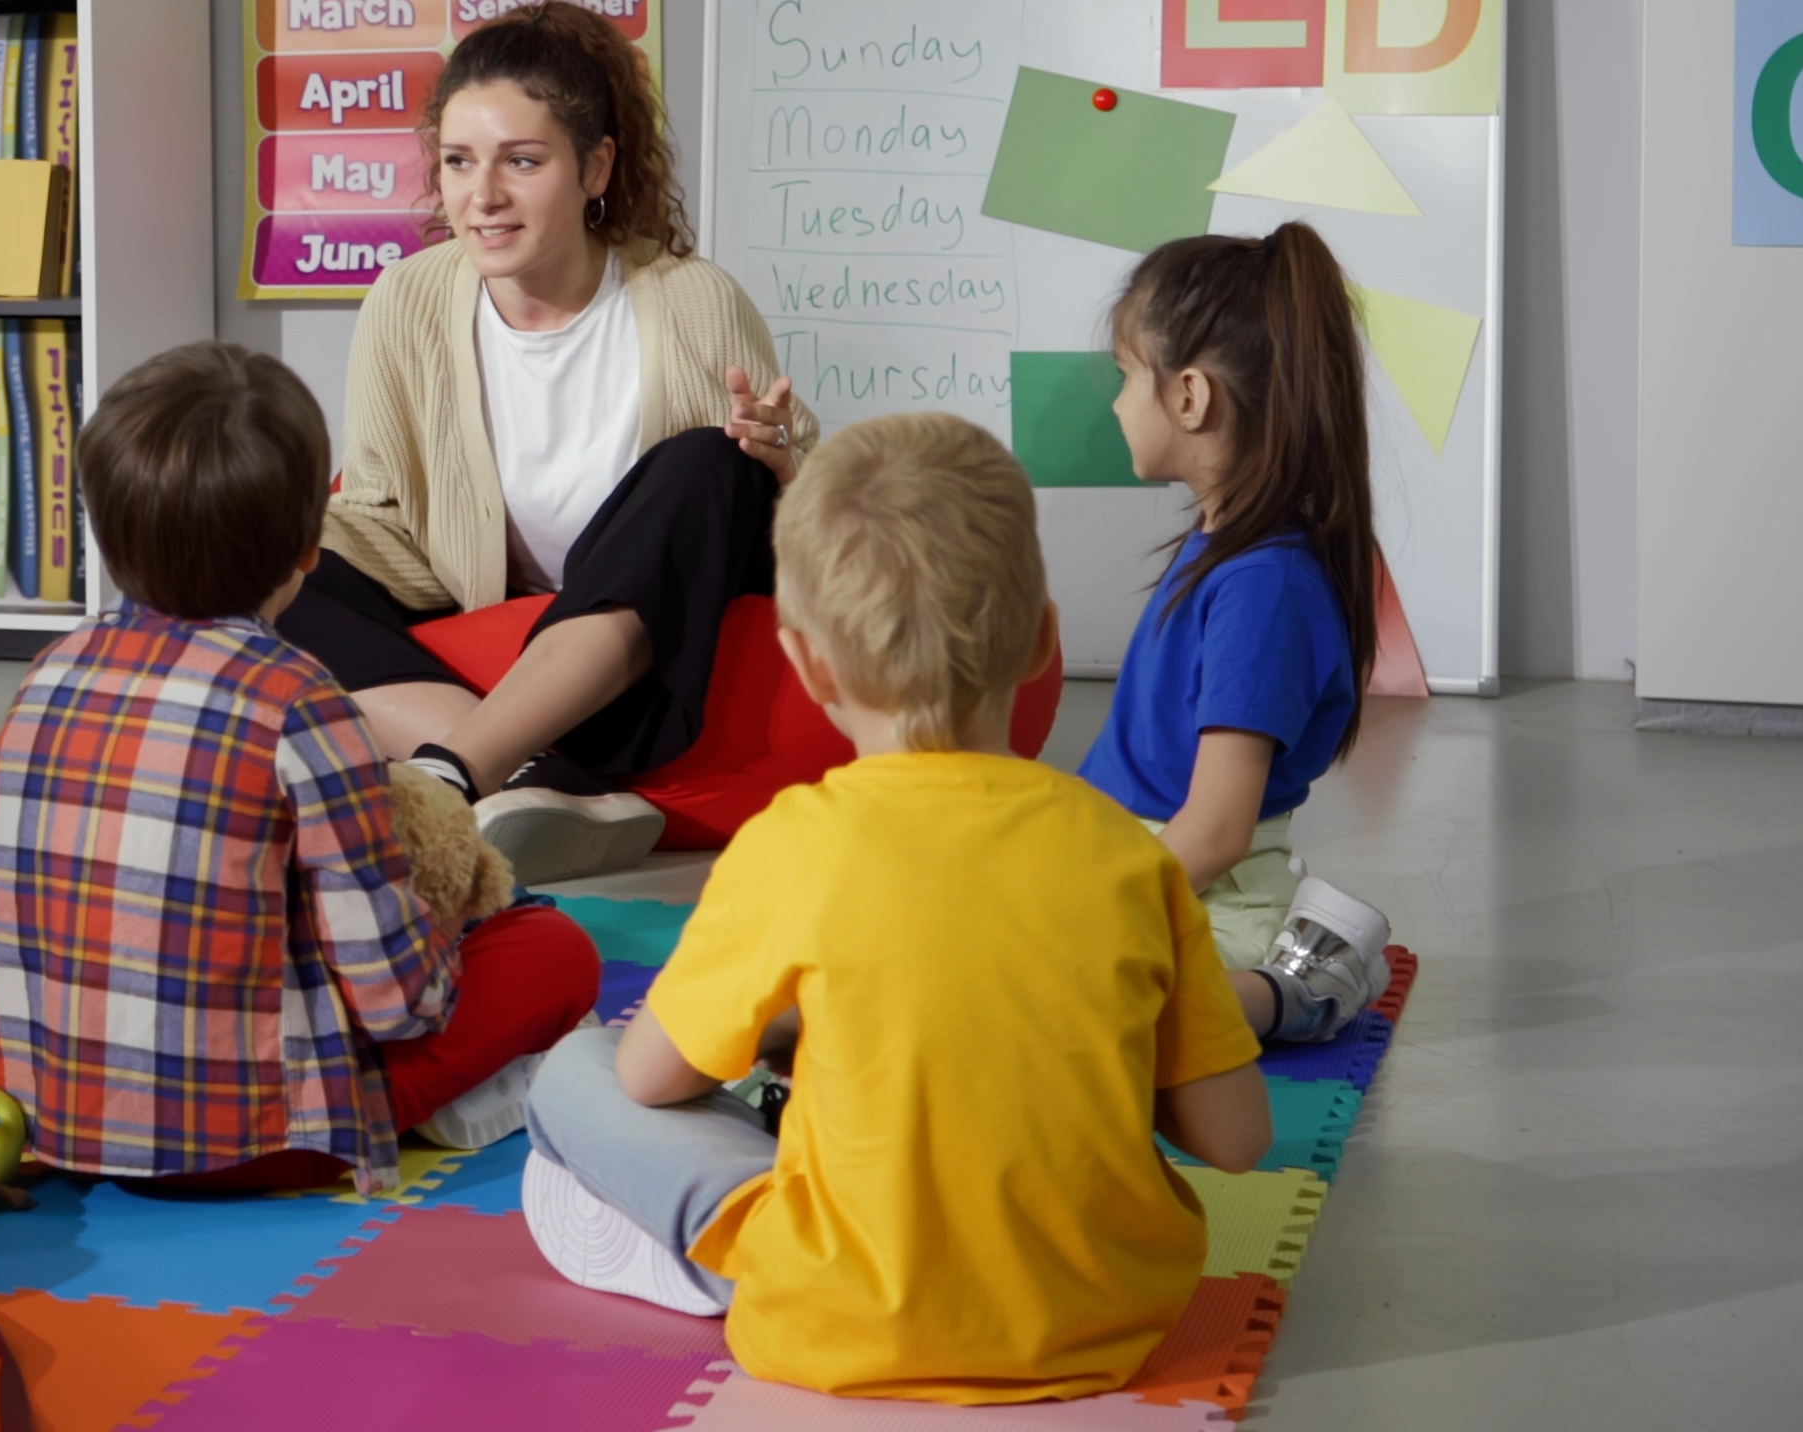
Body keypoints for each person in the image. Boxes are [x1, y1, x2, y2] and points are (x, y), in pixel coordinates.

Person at [519, 414, 1272, 1403]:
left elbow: (653, 1078)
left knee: (573, 1071)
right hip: (1107, 1321)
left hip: (835, 1319)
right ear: (1044, 639)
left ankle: (690, 1256)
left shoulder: (792, 843)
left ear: (809, 664)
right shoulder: (1129, 859)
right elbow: (1237, 1138)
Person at [0, 340, 603, 1195]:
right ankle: (449, 1102)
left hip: (50, 1120)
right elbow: (395, 999)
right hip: (255, 1139)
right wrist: (456, 926)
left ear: (106, 536)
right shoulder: (299, 700)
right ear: (311, 550)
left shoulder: (48, 671)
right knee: (554, 947)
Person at [278, 0, 819, 884]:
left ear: (595, 165)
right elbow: (374, 512)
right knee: (276, 570)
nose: (480, 198)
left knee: (710, 461)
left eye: (521, 162)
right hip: (473, 624)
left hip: (646, 663)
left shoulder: (694, 302)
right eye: (458, 163)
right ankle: (530, 773)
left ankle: (455, 770)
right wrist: (283, 563)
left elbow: (798, 524)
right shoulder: (406, 301)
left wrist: (781, 467)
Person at [1080, 223, 1397, 1042]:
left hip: (1203, 898)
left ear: (1189, 396)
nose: (1116, 403)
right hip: (1134, 863)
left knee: (1070, 1005)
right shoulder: (1227, 548)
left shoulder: (1266, 588)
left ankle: (1299, 989)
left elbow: (1216, 830)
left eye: (1125, 378)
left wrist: (1084, 903)